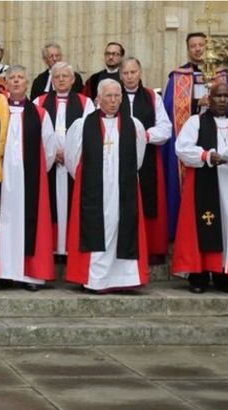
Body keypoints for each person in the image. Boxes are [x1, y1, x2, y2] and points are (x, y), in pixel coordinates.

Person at [172, 81, 228, 294]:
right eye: (218, 96)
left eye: (226, 96)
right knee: (203, 227)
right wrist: (206, 155)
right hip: (204, 186)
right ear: (209, 99)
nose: (222, 100)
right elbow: (182, 148)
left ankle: (226, 277)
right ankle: (199, 276)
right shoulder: (196, 122)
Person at [64, 79, 150, 292]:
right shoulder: (82, 125)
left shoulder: (134, 125)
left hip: (123, 187)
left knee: (123, 226)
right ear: (98, 99)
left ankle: (124, 278)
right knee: (97, 229)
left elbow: (138, 159)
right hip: (93, 190)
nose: (113, 101)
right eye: (108, 96)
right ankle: (96, 279)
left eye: (117, 96)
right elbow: (72, 158)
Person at [163, 32, 228, 241]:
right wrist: (198, 105)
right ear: (188, 49)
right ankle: (183, 229)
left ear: (207, 47)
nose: (197, 49)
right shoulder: (178, 77)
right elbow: (170, 110)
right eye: (193, 46)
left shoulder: (221, 76)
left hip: (219, 136)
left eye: (201, 45)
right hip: (191, 137)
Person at [0, 65, 56, 291]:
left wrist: (36, 172)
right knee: (4, 222)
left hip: (29, 179)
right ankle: (4, 273)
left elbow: (49, 149)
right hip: (2, 180)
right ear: (6, 83)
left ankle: (29, 275)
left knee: (29, 223)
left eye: (21, 77)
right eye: (12, 78)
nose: (17, 82)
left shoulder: (40, 113)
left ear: (27, 82)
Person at [33, 62, 95, 260]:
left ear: (73, 79)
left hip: (73, 164)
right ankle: (51, 248)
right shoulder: (39, 102)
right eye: (57, 76)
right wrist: (52, 153)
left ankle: (68, 248)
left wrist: (69, 154)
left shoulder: (86, 103)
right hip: (48, 164)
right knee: (48, 205)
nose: (61, 80)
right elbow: (34, 132)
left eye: (65, 76)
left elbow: (88, 132)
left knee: (72, 206)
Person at [120, 57, 172, 263]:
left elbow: (165, 128)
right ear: (120, 75)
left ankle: (151, 248)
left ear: (140, 72)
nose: (130, 77)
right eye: (125, 73)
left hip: (148, 158)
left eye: (133, 72)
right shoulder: (113, 95)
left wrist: (145, 136)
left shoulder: (152, 97)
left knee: (149, 201)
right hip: (119, 158)